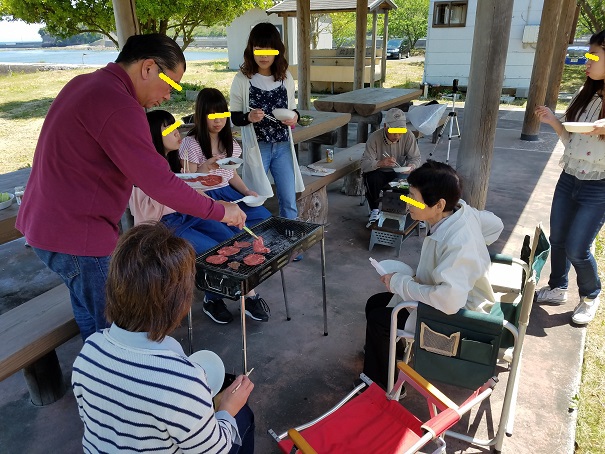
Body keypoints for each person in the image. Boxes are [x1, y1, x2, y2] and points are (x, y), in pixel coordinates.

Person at [15, 33, 246, 341]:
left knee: (92, 320)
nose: (168, 96)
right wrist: (220, 211)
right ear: (148, 67)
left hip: (48, 228)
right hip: (77, 235)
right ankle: (114, 384)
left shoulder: (83, 84)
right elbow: (158, 182)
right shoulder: (120, 105)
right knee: (119, 332)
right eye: (171, 84)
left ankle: (95, 379)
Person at [72, 223, 255, 453]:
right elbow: (214, 450)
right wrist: (227, 409)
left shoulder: (90, 350)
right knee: (243, 416)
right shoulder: (182, 382)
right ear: (179, 303)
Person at [362, 161, 503, 388]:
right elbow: (496, 225)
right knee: (374, 304)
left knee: (381, 319)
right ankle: (390, 355)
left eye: (413, 199)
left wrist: (400, 283)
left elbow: (448, 302)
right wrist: (476, 249)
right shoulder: (461, 211)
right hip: (446, 298)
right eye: (408, 195)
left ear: (439, 204)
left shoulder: (459, 242)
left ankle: (381, 385)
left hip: (458, 316)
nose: (407, 204)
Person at [130, 109, 271, 324]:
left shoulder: (174, 161)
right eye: (169, 129)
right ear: (152, 136)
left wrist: (204, 177)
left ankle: (247, 294)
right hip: (165, 226)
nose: (177, 133)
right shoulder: (145, 169)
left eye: (176, 127)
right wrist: (178, 190)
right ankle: (214, 299)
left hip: (190, 214)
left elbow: (192, 190)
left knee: (231, 239)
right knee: (210, 252)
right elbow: (145, 212)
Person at [534, 29, 605, 325]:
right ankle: (558, 286)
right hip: (570, 177)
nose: (587, 62)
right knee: (559, 238)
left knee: (578, 246)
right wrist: (553, 121)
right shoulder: (586, 95)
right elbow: (572, 140)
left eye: (594, 56)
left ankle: (590, 295)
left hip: (599, 186)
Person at [229, 22, 305, 221]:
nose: (263, 55)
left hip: (283, 147)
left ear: (277, 51)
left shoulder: (285, 77)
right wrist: (249, 117)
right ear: (251, 50)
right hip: (258, 147)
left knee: (289, 200)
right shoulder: (242, 79)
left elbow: (292, 108)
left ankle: (293, 250)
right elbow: (235, 115)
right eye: (258, 50)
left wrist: (295, 117)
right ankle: (258, 246)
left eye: (268, 50)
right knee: (254, 200)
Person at [180, 87, 272, 228]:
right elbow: (190, 183)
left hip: (227, 192)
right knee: (230, 231)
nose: (217, 120)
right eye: (211, 115)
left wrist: (247, 191)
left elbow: (232, 174)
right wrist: (206, 167)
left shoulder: (230, 143)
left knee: (264, 218)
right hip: (203, 196)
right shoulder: (191, 144)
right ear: (200, 115)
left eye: (221, 114)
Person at [360, 108, 421, 228]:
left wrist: (412, 165)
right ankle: (375, 210)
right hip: (379, 171)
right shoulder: (374, 138)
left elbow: (416, 158)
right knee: (371, 177)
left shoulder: (408, 136)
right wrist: (380, 163)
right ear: (385, 126)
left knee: (411, 180)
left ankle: (413, 211)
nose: (397, 136)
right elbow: (364, 164)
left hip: (400, 172)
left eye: (400, 132)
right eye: (394, 132)